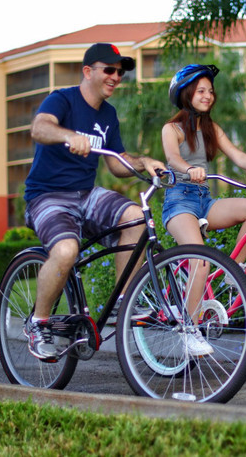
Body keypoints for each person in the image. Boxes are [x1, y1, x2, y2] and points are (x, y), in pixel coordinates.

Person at [23, 43, 164, 361]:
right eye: (109, 70)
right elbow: (39, 127)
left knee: (135, 217)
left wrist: (145, 161)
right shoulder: (63, 99)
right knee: (66, 251)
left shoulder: (109, 114)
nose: (116, 76)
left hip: (87, 194)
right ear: (88, 71)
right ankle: (39, 323)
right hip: (47, 196)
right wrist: (68, 135)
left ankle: (124, 301)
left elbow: (116, 163)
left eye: (120, 72)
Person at [160, 64, 246, 356]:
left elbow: (239, 156)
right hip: (179, 202)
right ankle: (189, 330)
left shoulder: (211, 129)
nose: (208, 96)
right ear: (186, 94)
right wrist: (189, 169)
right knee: (200, 260)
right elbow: (172, 157)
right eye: (201, 91)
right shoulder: (172, 129)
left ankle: (235, 272)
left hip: (204, 199)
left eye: (210, 91)